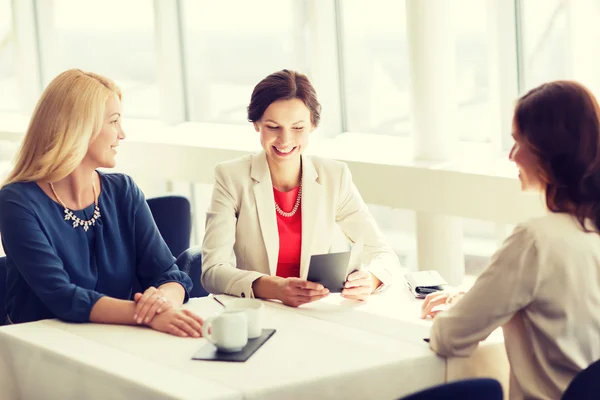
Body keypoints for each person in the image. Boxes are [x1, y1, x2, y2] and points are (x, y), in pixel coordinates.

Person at [421, 80, 600, 399]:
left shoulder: (536, 240)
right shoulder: (586, 233)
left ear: (549, 152)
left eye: (518, 142)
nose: (511, 156)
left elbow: (450, 337)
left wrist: (463, 305)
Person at [0, 69, 203, 338]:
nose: (122, 134)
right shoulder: (17, 202)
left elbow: (169, 273)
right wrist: (146, 316)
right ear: (79, 127)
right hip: (42, 348)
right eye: (114, 121)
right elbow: (62, 297)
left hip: (115, 336)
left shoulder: (123, 190)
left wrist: (165, 303)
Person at [201, 69, 400, 307]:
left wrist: (371, 279)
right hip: (259, 310)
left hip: (317, 311)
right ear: (256, 124)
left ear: (313, 125)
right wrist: (274, 287)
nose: (285, 141)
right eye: (273, 127)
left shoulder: (334, 176)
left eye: (297, 128)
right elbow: (212, 271)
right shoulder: (231, 177)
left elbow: (383, 254)